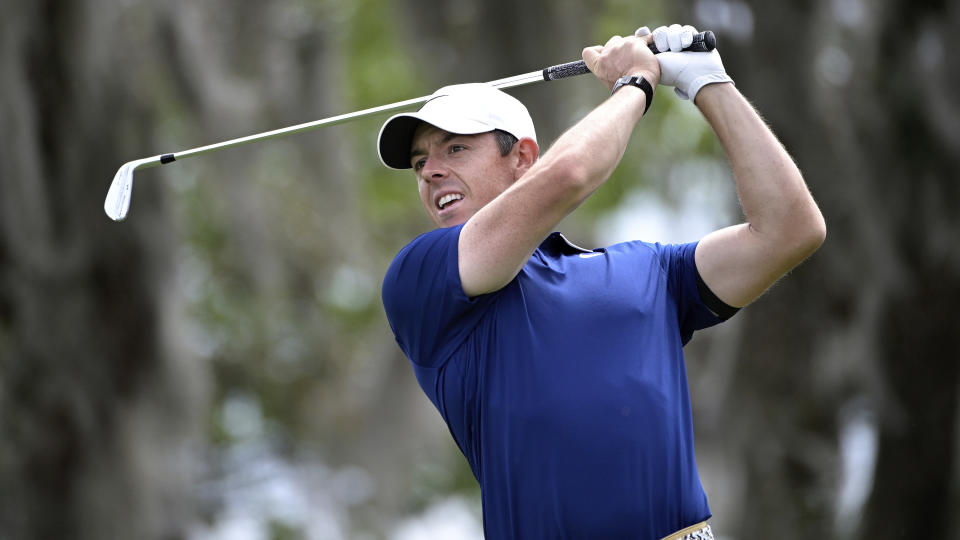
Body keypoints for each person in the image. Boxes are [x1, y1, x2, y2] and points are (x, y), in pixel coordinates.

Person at [377, 23, 825, 540]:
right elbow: (570, 175)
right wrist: (635, 83)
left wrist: (708, 83)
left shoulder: (651, 270)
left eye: (454, 149)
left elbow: (790, 230)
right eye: (418, 162)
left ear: (521, 157)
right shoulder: (421, 279)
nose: (429, 171)